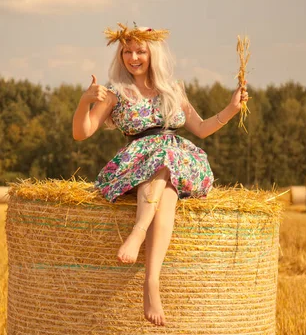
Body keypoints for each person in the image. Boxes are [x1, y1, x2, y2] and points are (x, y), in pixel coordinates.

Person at [72, 23, 248, 327]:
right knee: (164, 177)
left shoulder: (172, 90)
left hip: (177, 159)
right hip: (135, 163)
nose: (133, 57)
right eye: (127, 51)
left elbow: (203, 128)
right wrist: (84, 101)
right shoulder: (114, 93)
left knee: (167, 182)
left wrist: (232, 109)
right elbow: (81, 133)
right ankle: (146, 261)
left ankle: (146, 262)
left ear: (153, 53)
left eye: (140, 50)